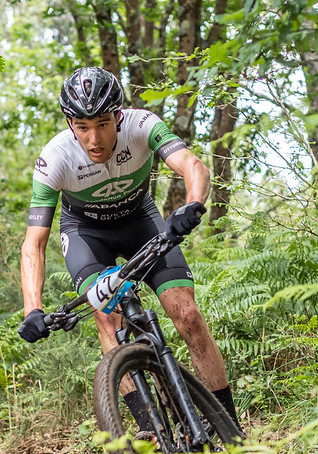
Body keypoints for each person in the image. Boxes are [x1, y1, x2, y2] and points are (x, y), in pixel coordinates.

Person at [17, 66, 241, 432]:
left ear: (118, 116)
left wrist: (192, 204)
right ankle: (149, 426)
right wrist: (32, 309)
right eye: (83, 127)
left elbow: (192, 165)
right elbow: (33, 244)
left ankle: (226, 423)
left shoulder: (142, 125)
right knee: (108, 317)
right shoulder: (54, 158)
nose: (94, 138)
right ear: (69, 123)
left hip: (141, 221)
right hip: (87, 234)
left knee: (187, 315)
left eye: (103, 123)